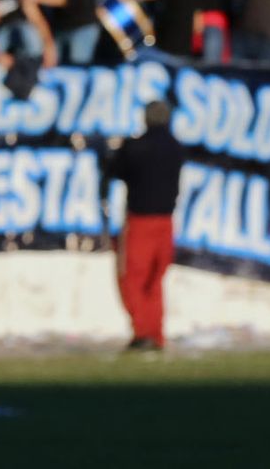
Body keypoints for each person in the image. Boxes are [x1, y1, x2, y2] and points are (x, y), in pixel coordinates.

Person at [103, 99, 185, 352]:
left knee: (132, 278)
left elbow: (115, 170)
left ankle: (142, 332)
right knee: (155, 281)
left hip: (140, 221)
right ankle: (155, 333)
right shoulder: (176, 148)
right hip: (166, 221)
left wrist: (111, 151)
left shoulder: (135, 147)